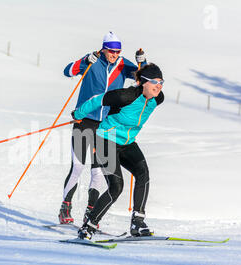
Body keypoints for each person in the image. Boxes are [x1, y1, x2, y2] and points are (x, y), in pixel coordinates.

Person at [58, 31, 147, 224]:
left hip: (106, 124)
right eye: (111, 51)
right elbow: (67, 71)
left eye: (118, 51)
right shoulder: (93, 60)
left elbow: (143, 78)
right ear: (104, 49)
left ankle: (91, 213)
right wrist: (84, 62)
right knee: (78, 166)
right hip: (84, 120)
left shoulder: (122, 64)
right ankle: (65, 207)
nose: (115, 54)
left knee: (98, 171)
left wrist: (143, 62)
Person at [72, 63, 164, 239]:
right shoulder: (126, 96)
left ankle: (138, 222)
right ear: (143, 83)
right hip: (106, 140)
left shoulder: (157, 98)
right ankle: (88, 226)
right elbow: (98, 100)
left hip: (127, 142)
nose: (158, 86)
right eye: (154, 81)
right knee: (116, 187)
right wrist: (78, 114)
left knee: (142, 173)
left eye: (161, 82)